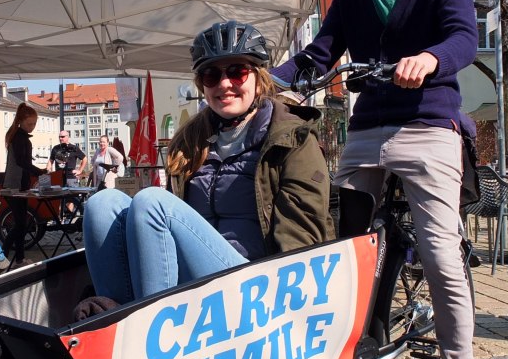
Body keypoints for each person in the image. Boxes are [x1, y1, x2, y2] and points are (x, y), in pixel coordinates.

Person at [269, 0, 487, 359]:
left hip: (428, 123)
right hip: (368, 129)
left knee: (440, 254)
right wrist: (264, 80)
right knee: (343, 251)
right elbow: (319, 54)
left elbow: (463, 38)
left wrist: (430, 59)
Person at [83, 20, 331, 304]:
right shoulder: (190, 140)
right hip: (195, 278)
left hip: (257, 288)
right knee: (101, 204)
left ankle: (153, 319)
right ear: (202, 85)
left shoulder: (292, 137)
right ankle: (117, 313)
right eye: (211, 75)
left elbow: (303, 234)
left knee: (153, 203)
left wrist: (288, 303)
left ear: (258, 77)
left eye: (237, 72)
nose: (224, 84)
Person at [2, 103, 46, 266]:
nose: (32, 127)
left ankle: (19, 259)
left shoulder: (20, 137)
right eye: (29, 124)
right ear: (20, 121)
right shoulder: (19, 138)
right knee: (20, 224)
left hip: (19, 185)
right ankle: (2, 257)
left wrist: (35, 173)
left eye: (34, 124)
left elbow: (23, 162)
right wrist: (39, 171)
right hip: (14, 186)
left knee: (21, 224)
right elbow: (21, 161)